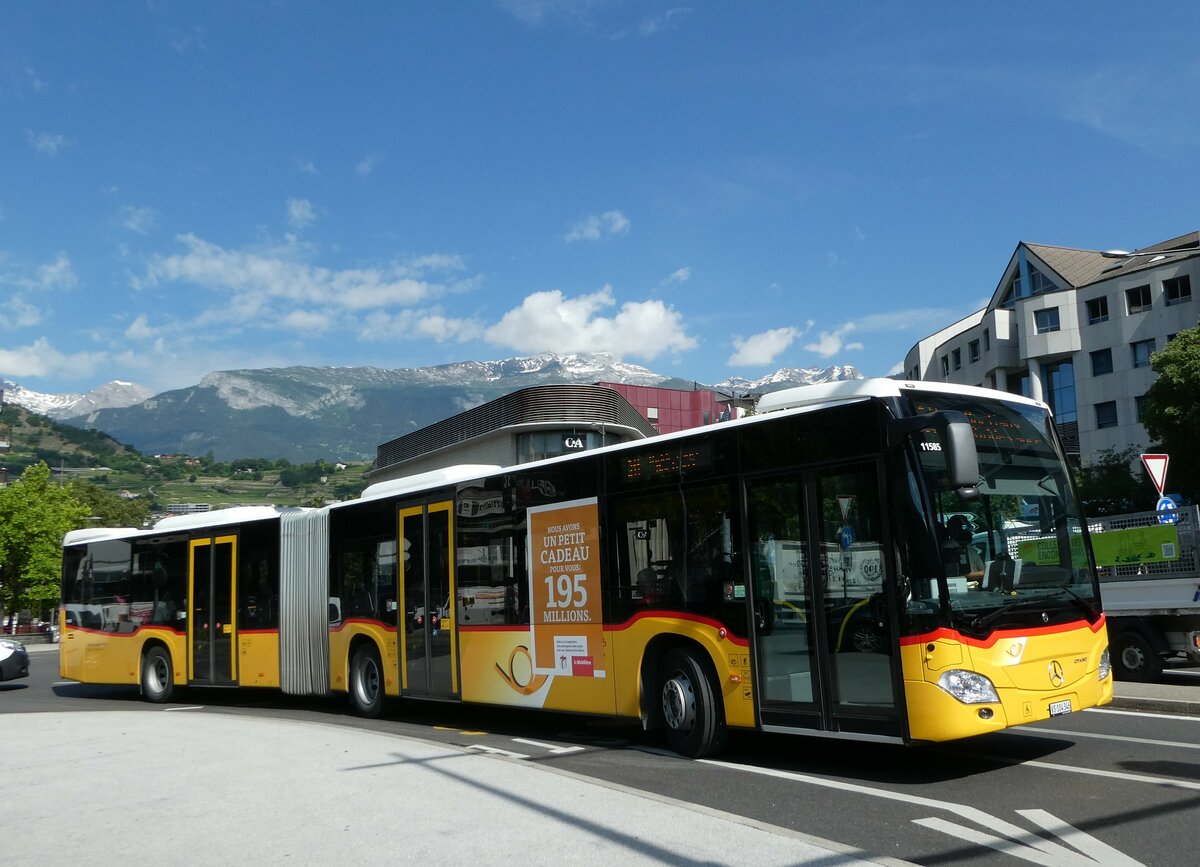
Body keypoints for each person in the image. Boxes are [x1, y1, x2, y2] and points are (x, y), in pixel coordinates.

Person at [941, 515, 984, 586]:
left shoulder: (970, 549)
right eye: (964, 528)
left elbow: (981, 570)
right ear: (953, 530)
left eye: (969, 528)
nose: (968, 532)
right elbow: (959, 575)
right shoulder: (947, 548)